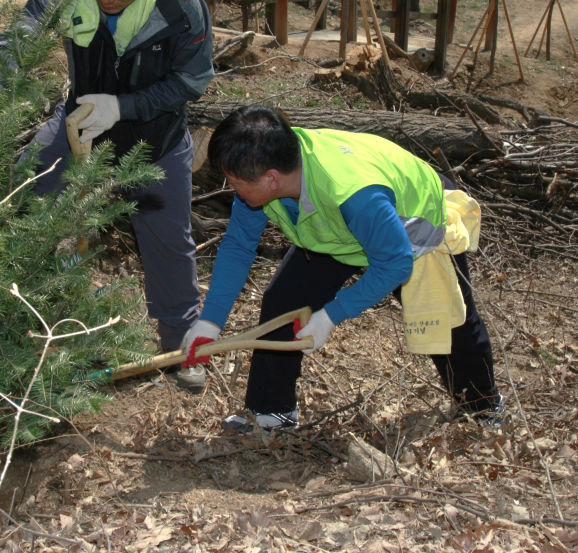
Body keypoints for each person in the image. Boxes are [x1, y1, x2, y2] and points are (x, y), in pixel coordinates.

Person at [0, 0, 215, 392]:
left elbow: (193, 79)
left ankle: (181, 348)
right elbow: (18, 42)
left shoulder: (179, 5)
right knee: (21, 194)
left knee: (169, 244)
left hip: (155, 139)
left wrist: (127, 106)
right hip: (79, 128)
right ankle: (4, 324)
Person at [180, 105, 504, 430]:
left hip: (411, 219)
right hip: (337, 230)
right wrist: (210, 322)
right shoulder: (263, 180)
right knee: (285, 301)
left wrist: (331, 315)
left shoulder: (355, 195)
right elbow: (237, 246)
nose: (231, 186)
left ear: (271, 178)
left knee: (450, 321)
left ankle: (483, 409)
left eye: (234, 181)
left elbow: (395, 263)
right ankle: (271, 411)